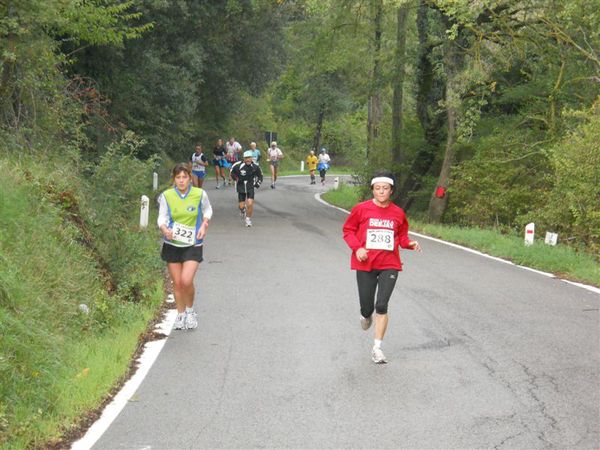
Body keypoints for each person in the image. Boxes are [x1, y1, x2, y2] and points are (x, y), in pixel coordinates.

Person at [342, 171, 421, 364]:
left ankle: (377, 348)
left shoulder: (398, 213)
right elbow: (348, 230)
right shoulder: (361, 209)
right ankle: (365, 314)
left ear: (391, 190)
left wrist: (409, 243)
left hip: (389, 264)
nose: (381, 192)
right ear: (373, 190)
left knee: (382, 305)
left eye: (385, 188)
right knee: (367, 307)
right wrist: (357, 248)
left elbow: (401, 238)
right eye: (378, 188)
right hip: (365, 263)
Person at [157, 163, 213, 330]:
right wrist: (164, 229)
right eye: (178, 178)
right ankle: (180, 315)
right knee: (177, 283)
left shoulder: (199, 194)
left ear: (190, 178)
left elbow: (208, 210)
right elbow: (162, 217)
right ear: (174, 179)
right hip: (172, 243)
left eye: (184, 177)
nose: (181, 181)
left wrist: (204, 224)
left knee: (186, 280)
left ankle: (190, 311)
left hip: (193, 243)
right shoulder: (167, 196)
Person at [230, 150, 263, 227]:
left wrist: (257, 184)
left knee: (250, 203)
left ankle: (248, 220)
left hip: (250, 186)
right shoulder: (238, 165)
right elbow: (232, 171)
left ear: (252, 158)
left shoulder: (255, 166)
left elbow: (260, 176)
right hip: (241, 186)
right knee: (241, 206)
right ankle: (242, 210)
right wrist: (236, 179)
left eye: (249, 158)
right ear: (244, 158)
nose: (248, 159)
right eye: (246, 158)